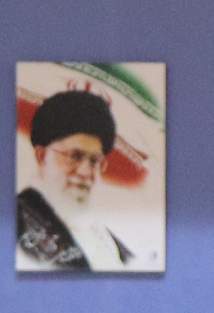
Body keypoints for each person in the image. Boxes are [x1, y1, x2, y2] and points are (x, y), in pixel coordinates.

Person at [15, 88, 146, 271]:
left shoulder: (101, 233)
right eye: (74, 156)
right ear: (42, 156)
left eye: (94, 161)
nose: (85, 172)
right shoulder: (16, 221)